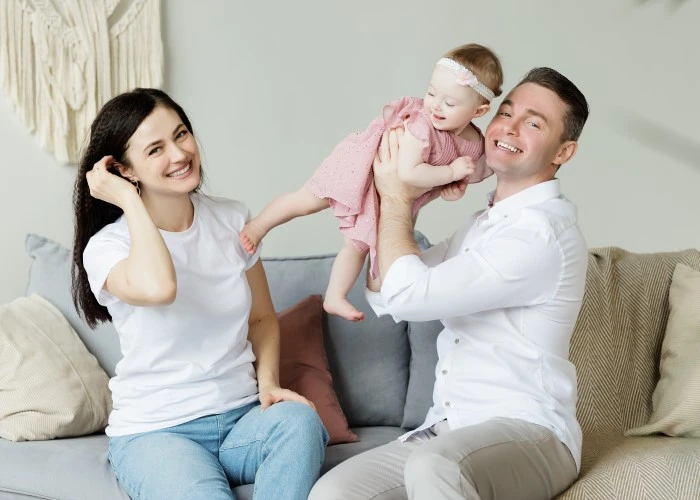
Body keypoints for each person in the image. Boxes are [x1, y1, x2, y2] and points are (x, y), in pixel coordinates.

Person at [309, 67, 590, 500]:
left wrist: (398, 196)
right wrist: (407, 194)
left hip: (530, 432)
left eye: (534, 123)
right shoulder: (483, 224)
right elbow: (388, 292)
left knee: (433, 464)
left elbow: (411, 293)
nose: (509, 128)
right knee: (335, 493)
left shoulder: (538, 234)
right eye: (506, 112)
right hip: (450, 429)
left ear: (564, 151)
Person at [71, 88, 328, 500]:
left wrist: (269, 384)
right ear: (124, 169)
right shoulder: (106, 248)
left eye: (181, 134)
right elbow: (161, 287)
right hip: (157, 432)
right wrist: (127, 200)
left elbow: (261, 317)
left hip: (241, 418)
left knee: (301, 423)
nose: (179, 154)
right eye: (155, 149)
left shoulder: (231, 219)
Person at [240, 43, 503, 321]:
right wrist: (450, 172)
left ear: (479, 112)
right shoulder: (421, 125)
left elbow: (476, 170)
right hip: (361, 166)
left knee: (357, 245)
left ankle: (334, 296)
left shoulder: (474, 144)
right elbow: (409, 173)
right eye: (431, 92)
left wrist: (453, 186)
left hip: (385, 194)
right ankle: (259, 225)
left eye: (449, 103)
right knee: (306, 200)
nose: (435, 105)